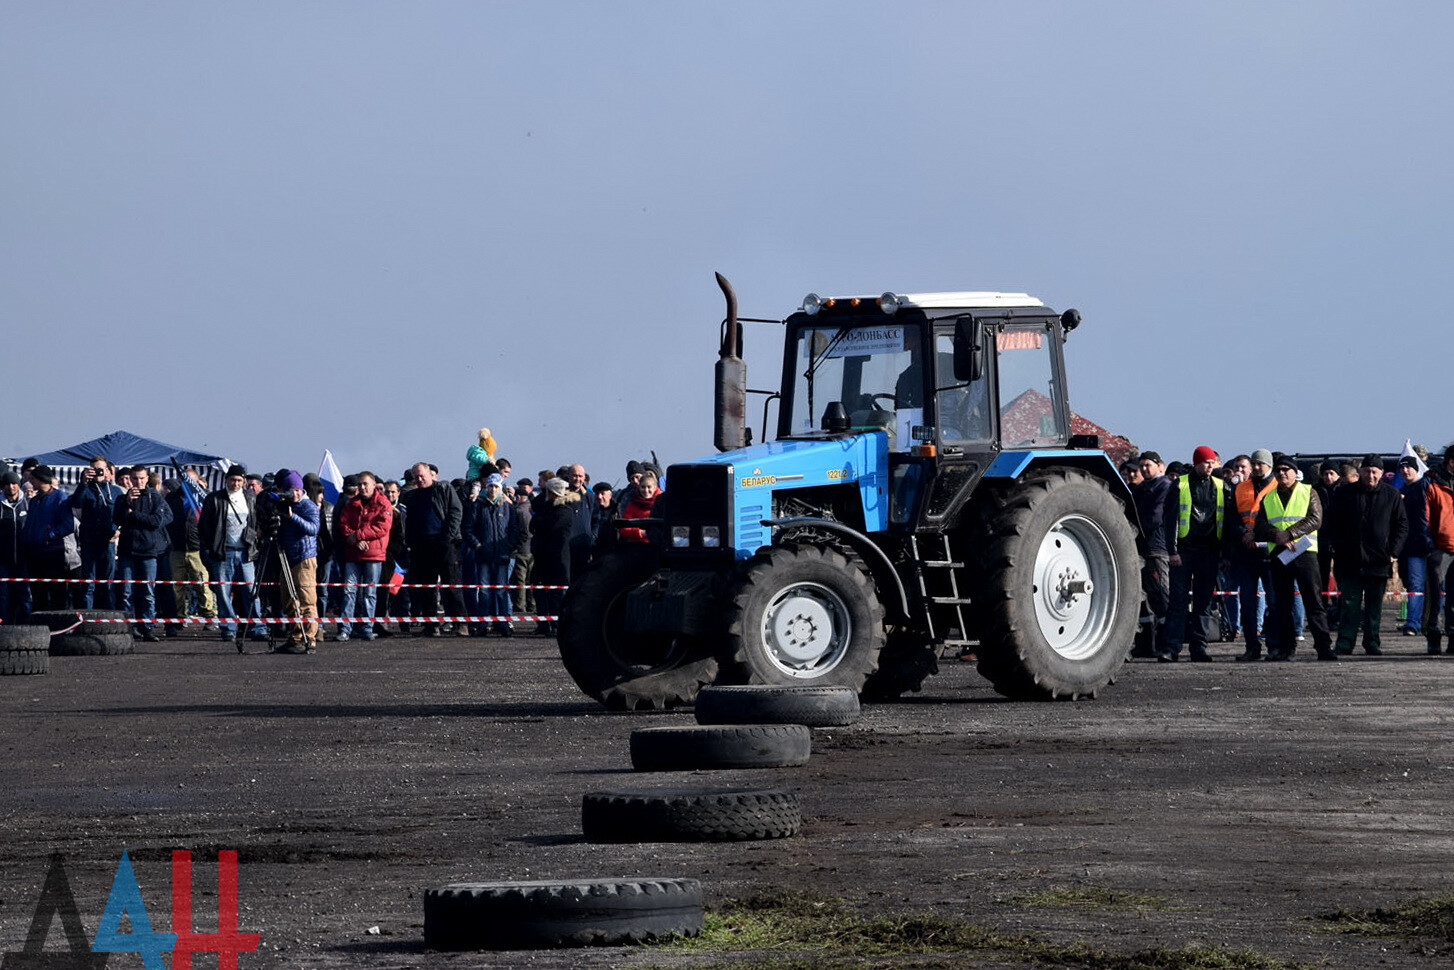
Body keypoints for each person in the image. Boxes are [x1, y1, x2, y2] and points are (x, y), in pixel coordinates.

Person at [1254, 453, 1336, 661]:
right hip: (1279, 554)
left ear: (1294, 473)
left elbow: (1316, 519)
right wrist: (1277, 536)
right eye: (1278, 470)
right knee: (1282, 604)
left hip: (1304, 553)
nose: (1282, 474)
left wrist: (1290, 533)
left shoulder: (1309, 492)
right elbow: (1260, 525)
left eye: (1286, 470)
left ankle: (1324, 647)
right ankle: (1286, 648)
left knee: (1313, 601)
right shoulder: (1268, 497)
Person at [1323, 454, 1408, 656]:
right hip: (1349, 560)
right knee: (1349, 604)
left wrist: (1393, 552)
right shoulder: (1344, 494)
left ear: (1380, 473)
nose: (1370, 475)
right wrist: (1339, 547)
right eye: (1367, 471)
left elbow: (1402, 526)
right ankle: (1345, 642)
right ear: (1360, 472)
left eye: (1374, 471)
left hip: (1379, 560)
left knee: (1374, 606)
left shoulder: (1392, 495)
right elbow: (1332, 524)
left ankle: (1372, 642)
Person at [1162, 446, 1225, 662]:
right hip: (1184, 551)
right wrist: (1172, 551)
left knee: (1203, 603)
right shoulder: (1180, 485)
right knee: (1177, 602)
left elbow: (1225, 521)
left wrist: (1223, 552)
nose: (1209, 466)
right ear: (1197, 463)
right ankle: (1172, 648)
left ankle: (1199, 648)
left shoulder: (1221, 486)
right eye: (1206, 462)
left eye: (1212, 463)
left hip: (1209, 551)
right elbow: (1169, 521)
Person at [399, 462, 466, 637]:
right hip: (421, 546)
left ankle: (460, 623)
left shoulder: (444, 489)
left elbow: (455, 511)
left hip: (444, 543)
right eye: (416, 477)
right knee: (426, 587)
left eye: (422, 475)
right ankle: (431, 625)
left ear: (431, 474)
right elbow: (409, 521)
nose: (419, 479)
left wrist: (447, 536)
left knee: (451, 585)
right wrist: (411, 542)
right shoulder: (412, 496)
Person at [199, 465, 263, 643]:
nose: (236, 483)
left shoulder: (250, 498)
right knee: (223, 591)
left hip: (246, 552)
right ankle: (228, 628)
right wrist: (209, 549)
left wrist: (255, 536)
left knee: (251, 591)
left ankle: (257, 627)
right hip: (222, 553)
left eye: (239, 481)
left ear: (243, 482)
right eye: (233, 480)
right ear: (226, 480)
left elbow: (257, 522)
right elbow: (204, 526)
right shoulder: (214, 499)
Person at [1227, 449, 1279, 661]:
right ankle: (1251, 647)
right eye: (1254, 464)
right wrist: (1245, 536)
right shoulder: (1241, 489)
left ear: (1269, 466)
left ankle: (1274, 645)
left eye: (1261, 464)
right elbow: (1232, 518)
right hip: (1246, 554)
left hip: (1270, 552)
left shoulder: (1278, 486)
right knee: (1247, 602)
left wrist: (1257, 535)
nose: (1257, 467)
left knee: (1274, 604)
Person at [114, 465, 172, 642]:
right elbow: (116, 520)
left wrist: (134, 515)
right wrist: (127, 504)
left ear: (147, 479)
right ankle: (129, 627)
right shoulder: (121, 498)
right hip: (127, 550)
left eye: (141, 478)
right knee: (126, 591)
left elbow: (156, 522)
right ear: (129, 479)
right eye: (134, 479)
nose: (138, 482)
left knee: (147, 591)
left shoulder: (155, 498)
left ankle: (148, 627)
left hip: (148, 551)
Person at [335, 471, 392, 642]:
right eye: (359, 484)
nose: (362, 487)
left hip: (373, 554)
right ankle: (345, 628)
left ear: (374, 485)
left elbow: (382, 527)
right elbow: (343, 524)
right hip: (353, 552)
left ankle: (367, 627)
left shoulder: (383, 503)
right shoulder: (351, 503)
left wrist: (358, 535)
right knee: (348, 591)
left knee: (370, 592)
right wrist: (354, 539)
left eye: (365, 483)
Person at [464, 473, 521, 636]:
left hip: (502, 556)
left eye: (496, 486)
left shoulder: (508, 507)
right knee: (484, 591)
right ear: (486, 487)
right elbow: (468, 530)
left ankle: (503, 623)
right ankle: (483, 623)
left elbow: (514, 530)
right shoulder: (478, 506)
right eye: (490, 486)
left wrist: (508, 548)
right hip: (483, 556)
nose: (493, 489)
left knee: (502, 590)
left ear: (501, 487)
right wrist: (478, 546)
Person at [1132, 451, 1176, 656]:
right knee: (1144, 600)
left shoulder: (1164, 487)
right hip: (1142, 549)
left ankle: (1166, 644)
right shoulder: (1142, 488)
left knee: (1161, 597)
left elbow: (1155, 518)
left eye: (1147, 465)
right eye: (1141, 466)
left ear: (1159, 465)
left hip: (1156, 548)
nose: (1143, 469)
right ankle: (1146, 645)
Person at [165, 466, 219, 629]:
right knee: (177, 585)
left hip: (197, 547)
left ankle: (208, 615)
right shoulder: (171, 498)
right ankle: (180, 617)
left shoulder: (204, 498)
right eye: (184, 480)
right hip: (177, 548)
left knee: (202, 583)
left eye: (191, 481)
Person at [18, 465, 75, 612]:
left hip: (52, 552)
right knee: (38, 594)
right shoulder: (34, 500)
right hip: (34, 552)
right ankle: (39, 627)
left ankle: (58, 626)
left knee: (57, 593)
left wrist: (50, 535)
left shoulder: (59, 498)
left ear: (41, 479)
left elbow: (68, 525)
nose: (31, 483)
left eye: (33, 479)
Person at [69, 457, 123, 609]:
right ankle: (87, 617)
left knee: (108, 584)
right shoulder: (85, 489)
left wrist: (119, 529)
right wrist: (83, 482)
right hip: (90, 542)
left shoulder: (115, 491)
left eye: (100, 469)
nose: (97, 472)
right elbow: (76, 503)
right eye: (94, 469)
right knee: (89, 584)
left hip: (109, 542)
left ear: (107, 471)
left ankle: (110, 619)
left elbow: (124, 513)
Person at [276, 470, 320, 653]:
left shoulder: (308, 505)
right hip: (288, 558)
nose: (295, 494)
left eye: (297, 490)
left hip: (305, 558)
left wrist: (292, 516)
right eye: (290, 490)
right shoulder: (284, 504)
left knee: (306, 600)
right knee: (288, 600)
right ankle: (295, 637)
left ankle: (309, 638)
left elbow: (313, 529)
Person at [530, 477, 577, 637]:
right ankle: (543, 623)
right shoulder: (547, 508)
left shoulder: (565, 511)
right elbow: (534, 525)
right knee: (539, 590)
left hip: (557, 558)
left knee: (557, 593)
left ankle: (557, 624)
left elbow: (544, 526)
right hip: (542, 557)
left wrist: (539, 521)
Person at [1421, 445, 1454, 655]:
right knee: (1434, 595)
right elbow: (1423, 518)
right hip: (1440, 548)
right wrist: (1430, 547)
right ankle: (1433, 636)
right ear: (1451, 461)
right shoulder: (1431, 482)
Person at [1396, 455, 1431, 636]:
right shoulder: (1401, 491)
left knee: (1431, 586)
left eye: (1408, 467)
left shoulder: (1426, 486)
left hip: (1429, 544)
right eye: (1402, 468)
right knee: (1413, 585)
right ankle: (1416, 622)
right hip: (1410, 547)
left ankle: (1423, 622)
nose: (1405, 471)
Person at [0, 471, 29, 624]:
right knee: (4, 596)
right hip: (3, 559)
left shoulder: (28, 502)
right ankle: (4, 627)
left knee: (25, 595)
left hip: (24, 559)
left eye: (14, 483)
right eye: (7, 484)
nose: (11, 487)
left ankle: (26, 626)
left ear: (19, 484)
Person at [618, 468, 660, 544]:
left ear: (654, 487)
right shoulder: (633, 503)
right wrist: (641, 532)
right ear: (639, 487)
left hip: (659, 546)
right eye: (643, 487)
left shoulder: (662, 503)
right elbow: (623, 528)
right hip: (638, 546)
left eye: (649, 487)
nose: (646, 490)